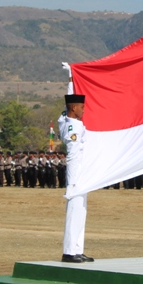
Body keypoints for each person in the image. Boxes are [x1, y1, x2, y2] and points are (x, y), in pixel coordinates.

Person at [59, 90, 94, 264]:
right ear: (73, 107)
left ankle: (77, 249)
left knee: (81, 211)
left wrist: (71, 81)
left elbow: (65, 106)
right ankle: (69, 252)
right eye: (81, 107)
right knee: (75, 211)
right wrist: (72, 182)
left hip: (82, 174)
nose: (84, 110)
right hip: (76, 175)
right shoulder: (73, 126)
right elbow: (72, 155)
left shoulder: (66, 120)